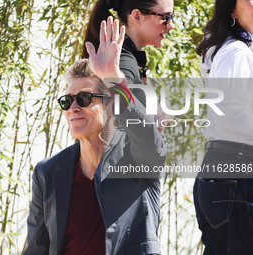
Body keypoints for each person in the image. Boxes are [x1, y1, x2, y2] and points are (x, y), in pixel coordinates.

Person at [24, 19, 166, 255]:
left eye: (84, 99)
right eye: (67, 101)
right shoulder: (47, 172)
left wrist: (112, 77)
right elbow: (37, 248)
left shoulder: (138, 158)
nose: (73, 108)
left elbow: (151, 140)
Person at [193, 0, 253, 254]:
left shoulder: (232, 49)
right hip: (236, 172)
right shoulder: (237, 51)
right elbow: (231, 114)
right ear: (231, 8)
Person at [82, 0, 175, 88]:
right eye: (166, 17)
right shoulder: (123, 61)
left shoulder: (123, 56)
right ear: (137, 16)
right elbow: (122, 103)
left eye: (172, 17)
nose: (171, 26)